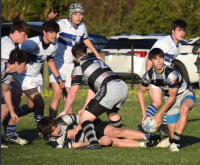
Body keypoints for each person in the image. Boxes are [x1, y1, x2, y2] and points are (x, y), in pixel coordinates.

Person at [58, 44, 128, 149]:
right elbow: (93, 88)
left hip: (110, 88)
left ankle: (94, 143)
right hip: (122, 86)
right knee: (112, 114)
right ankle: (123, 138)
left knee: (85, 118)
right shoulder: (95, 59)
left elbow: (73, 92)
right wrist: (85, 107)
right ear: (86, 53)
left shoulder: (79, 66)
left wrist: (65, 111)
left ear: (73, 57)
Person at [46, 3, 104, 119]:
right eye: (76, 14)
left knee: (69, 96)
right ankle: (51, 125)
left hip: (72, 65)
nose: (78, 17)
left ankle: (68, 124)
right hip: (57, 63)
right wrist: (48, 19)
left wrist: (97, 54)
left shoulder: (82, 27)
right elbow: (48, 29)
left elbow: (85, 39)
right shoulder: (62, 24)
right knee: (57, 95)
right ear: (70, 15)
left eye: (81, 14)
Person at [13, 20, 65, 140]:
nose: (54, 35)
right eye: (51, 32)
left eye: (56, 32)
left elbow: (50, 61)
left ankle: (10, 116)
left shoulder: (54, 45)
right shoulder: (31, 44)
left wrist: (58, 77)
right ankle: (42, 132)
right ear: (44, 32)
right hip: (24, 76)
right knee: (40, 102)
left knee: (32, 107)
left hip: (36, 76)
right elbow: (17, 58)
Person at [138, 48, 195, 152]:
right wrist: (144, 114)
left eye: (161, 58)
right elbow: (140, 92)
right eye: (155, 59)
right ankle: (172, 140)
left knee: (184, 108)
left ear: (164, 58)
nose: (159, 61)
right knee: (172, 136)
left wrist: (159, 115)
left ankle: (175, 145)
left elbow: (174, 97)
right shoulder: (148, 75)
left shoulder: (171, 73)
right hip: (170, 99)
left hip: (185, 94)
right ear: (151, 60)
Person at [141, 19, 187, 134]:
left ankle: (164, 126)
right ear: (173, 31)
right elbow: (149, 57)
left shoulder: (178, 47)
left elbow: (170, 62)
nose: (182, 33)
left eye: (184, 30)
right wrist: (149, 79)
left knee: (170, 99)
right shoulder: (164, 43)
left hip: (165, 78)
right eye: (179, 30)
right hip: (154, 76)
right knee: (157, 102)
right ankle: (145, 124)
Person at [37, 114, 162, 149]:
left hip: (92, 125)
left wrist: (76, 128)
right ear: (48, 134)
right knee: (113, 142)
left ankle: (149, 136)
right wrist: (98, 142)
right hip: (92, 138)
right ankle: (146, 145)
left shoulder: (63, 120)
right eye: (54, 131)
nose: (58, 129)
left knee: (115, 132)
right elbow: (79, 145)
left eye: (56, 126)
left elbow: (84, 117)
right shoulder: (57, 144)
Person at [1, 20, 30, 146]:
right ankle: (9, 134)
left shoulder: (7, 75)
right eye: (24, 34)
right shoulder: (9, 47)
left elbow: (6, 90)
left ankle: (10, 134)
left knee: (5, 106)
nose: (26, 37)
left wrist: (12, 113)